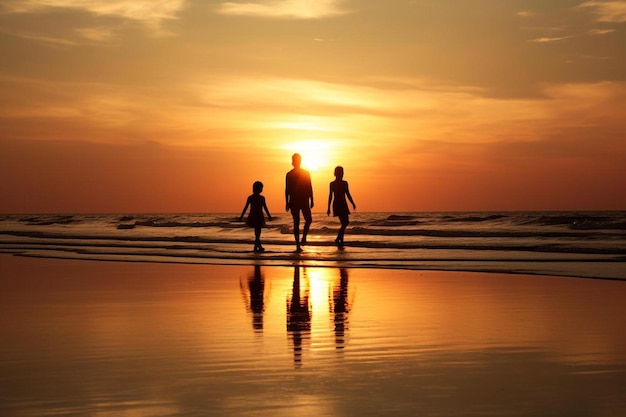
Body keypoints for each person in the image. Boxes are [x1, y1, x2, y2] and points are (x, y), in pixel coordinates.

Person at [285, 153, 314, 251]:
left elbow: (309, 186)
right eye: (294, 160)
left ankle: (303, 238)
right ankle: (298, 245)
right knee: (296, 222)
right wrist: (287, 201)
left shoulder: (305, 173)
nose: (295, 162)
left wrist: (312, 199)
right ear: (292, 162)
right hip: (295, 200)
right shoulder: (289, 174)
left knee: (308, 220)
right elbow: (287, 189)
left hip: (303, 199)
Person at [327, 166, 356, 246]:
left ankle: (341, 240)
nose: (342, 174)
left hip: (343, 203)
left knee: (345, 222)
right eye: (341, 172)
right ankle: (338, 239)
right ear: (337, 173)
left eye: (342, 172)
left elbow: (347, 194)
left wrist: (352, 203)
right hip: (337, 204)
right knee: (345, 222)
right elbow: (330, 196)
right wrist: (328, 207)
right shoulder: (332, 184)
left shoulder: (344, 183)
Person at [240, 181, 272, 252]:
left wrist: (241, 217)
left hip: (253, 215)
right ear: (260, 189)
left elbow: (245, 208)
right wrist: (269, 216)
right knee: (258, 232)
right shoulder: (261, 198)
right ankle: (257, 246)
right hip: (258, 216)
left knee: (257, 232)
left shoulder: (250, 197)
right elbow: (265, 208)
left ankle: (257, 246)